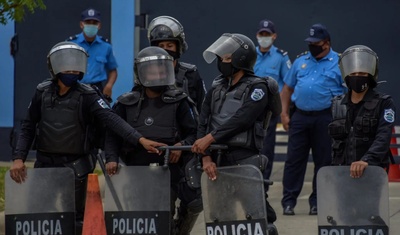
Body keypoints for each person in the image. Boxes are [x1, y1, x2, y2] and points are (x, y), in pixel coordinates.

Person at [9, 41, 164, 235]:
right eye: (67, 65)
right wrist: (18, 158)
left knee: (73, 220)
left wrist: (139, 139)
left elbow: (112, 120)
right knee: (37, 216)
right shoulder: (42, 92)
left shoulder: (88, 95)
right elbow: (28, 126)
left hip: (76, 167)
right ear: (55, 66)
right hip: (44, 166)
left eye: (76, 66)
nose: (72, 70)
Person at [104, 46, 201, 235]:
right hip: (133, 174)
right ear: (141, 72)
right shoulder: (125, 103)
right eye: (151, 70)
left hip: (167, 174)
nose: (157, 74)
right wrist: (111, 158)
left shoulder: (180, 101)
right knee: (136, 222)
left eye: (161, 69)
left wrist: (180, 147)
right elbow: (112, 134)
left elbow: (195, 133)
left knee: (162, 222)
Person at [191, 33, 281, 235]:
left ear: (241, 58)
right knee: (220, 217)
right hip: (216, 161)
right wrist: (205, 158)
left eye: (226, 57)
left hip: (245, 160)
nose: (221, 61)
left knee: (259, 217)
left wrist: (209, 139)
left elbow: (242, 118)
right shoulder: (216, 86)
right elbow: (202, 121)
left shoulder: (258, 87)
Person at [280, 23, 345, 216]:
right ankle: (289, 201)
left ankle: (317, 202)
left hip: (326, 118)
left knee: (324, 161)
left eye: (315, 43)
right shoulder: (301, 61)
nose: (312, 46)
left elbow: (349, 92)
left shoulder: (339, 62)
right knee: (293, 160)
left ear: (326, 43)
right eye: (310, 42)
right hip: (300, 117)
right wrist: (284, 113)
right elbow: (287, 89)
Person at [329, 45, 396, 177]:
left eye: (362, 73)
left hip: (372, 171)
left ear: (370, 75)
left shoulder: (384, 103)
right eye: (353, 74)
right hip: (342, 173)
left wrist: (366, 160)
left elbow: (383, 137)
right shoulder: (337, 104)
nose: (357, 77)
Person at [254, 19, 291, 189]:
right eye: (262, 34)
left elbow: (288, 83)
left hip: (270, 110)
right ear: (257, 36)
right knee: (249, 147)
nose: (264, 37)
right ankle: (250, 183)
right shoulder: (250, 55)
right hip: (251, 110)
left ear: (274, 36)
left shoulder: (281, 57)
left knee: (266, 149)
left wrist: (284, 111)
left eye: (267, 34)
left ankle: (264, 185)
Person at [147, 15, 207, 112]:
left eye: (169, 46)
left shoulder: (191, 73)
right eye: (161, 46)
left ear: (178, 47)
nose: (165, 50)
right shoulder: (147, 73)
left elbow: (203, 107)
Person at [68, 8, 118, 100]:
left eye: (94, 23)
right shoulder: (71, 44)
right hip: (75, 88)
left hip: (97, 89)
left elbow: (113, 70)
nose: (91, 25)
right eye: (88, 22)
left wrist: (109, 86)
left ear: (99, 25)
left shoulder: (106, 46)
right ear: (81, 24)